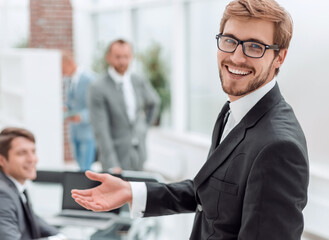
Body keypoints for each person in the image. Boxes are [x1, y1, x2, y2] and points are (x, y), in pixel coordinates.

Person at [72, 0, 309, 239]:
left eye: (255, 47)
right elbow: (209, 192)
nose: (237, 57)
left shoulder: (279, 147)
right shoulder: (233, 112)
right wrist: (131, 191)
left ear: (279, 57)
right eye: (230, 41)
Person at [87, 39, 160, 173]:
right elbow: (101, 130)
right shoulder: (97, 87)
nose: (122, 62)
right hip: (115, 159)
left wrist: (143, 128)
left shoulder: (138, 80)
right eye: (118, 57)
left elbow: (154, 102)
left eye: (126, 57)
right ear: (108, 57)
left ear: (131, 57)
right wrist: (112, 163)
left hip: (138, 155)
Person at [0, 127, 65, 240]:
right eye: (22, 153)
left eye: (33, 151)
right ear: (2, 160)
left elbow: (30, 218)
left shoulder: (14, 186)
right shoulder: (3, 194)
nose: (32, 159)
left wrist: (59, 236)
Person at [62, 51, 96, 171]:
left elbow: (95, 106)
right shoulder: (68, 80)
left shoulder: (90, 79)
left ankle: (87, 189)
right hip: (74, 129)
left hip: (87, 130)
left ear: (69, 63)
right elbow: (71, 101)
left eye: (62, 68)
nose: (62, 72)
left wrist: (82, 116)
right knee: (79, 165)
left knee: (85, 168)